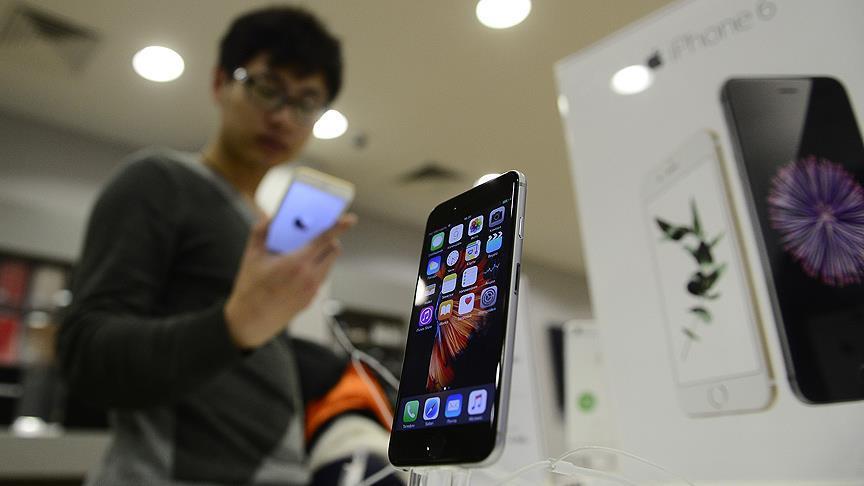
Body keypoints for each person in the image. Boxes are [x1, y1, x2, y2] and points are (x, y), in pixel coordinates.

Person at [58, 6, 397, 485]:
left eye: (307, 102)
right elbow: (85, 355)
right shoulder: (160, 180)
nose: (283, 116)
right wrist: (234, 324)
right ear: (220, 82)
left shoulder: (264, 225)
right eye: (267, 88)